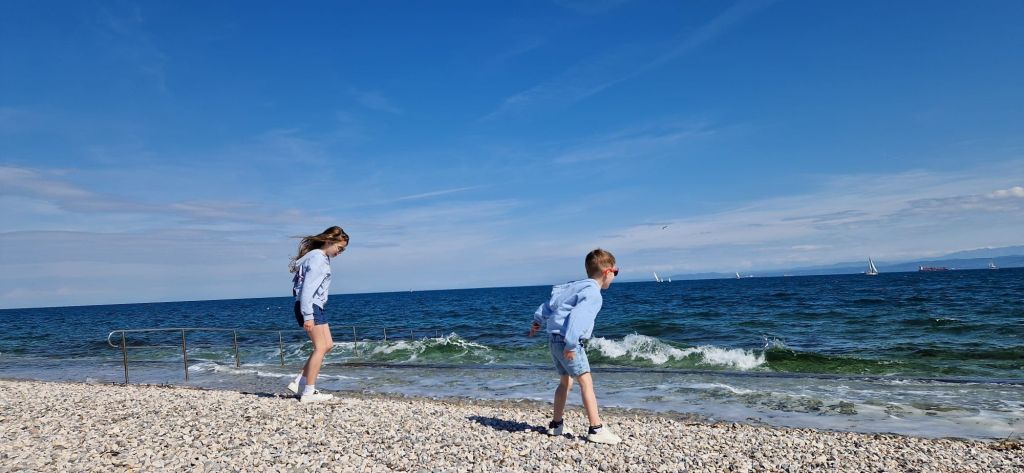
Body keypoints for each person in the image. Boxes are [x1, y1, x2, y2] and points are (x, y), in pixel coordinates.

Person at [529, 248, 622, 445]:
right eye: (616, 271)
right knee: (586, 383)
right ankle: (596, 429)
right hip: (567, 341)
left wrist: (538, 321)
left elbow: (549, 304)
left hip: (553, 339)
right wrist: (571, 345)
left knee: (566, 382)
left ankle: (556, 425)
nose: (615, 275)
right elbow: (577, 319)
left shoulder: (573, 287)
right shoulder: (593, 294)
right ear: (607, 272)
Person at [286, 225, 349, 403]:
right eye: (339, 248)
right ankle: (309, 391)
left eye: (343, 250)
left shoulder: (316, 257)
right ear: (329, 241)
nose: (340, 253)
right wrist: (308, 315)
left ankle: (300, 381)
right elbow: (307, 289)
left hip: (315, 305)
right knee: (320, 348)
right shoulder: (318, 259)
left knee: (328, 345)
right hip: (310, 306)